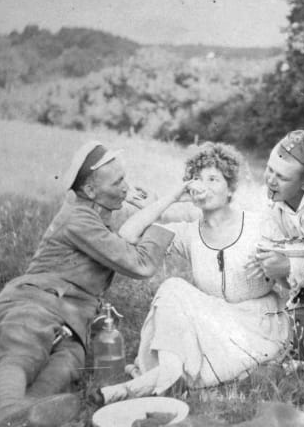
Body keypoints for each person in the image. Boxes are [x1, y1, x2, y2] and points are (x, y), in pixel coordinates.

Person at [0, 140, 176, 427]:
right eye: (117, 182)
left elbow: (122, 242)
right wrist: (159, 220)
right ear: (90, 191)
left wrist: (148, 212)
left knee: (68, 360)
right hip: (35, 300)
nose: (126, 187)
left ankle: (28, 412)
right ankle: (8, 411)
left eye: (125, 178)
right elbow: (140, 264)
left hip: (71, 317)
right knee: (22, 341)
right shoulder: (78, 219)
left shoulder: (94, 213)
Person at [95, 142, 290, 404]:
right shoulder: (188, 233)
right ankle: (164, 380)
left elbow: (291, 278)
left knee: (189, 353)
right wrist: (172, 197)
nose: (204, 185)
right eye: (198, 179)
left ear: (230, 188)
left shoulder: (259, 225)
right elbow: (128, 234)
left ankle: (136, 388)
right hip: (213, 320)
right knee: (172, 287)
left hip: (255, 325)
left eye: (213, 179)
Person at [254, 130, 304, 358]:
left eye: (281, 177)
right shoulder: (274, 206)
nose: (271, 180)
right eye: (269, 169)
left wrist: (288, 266)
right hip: (300, 289)